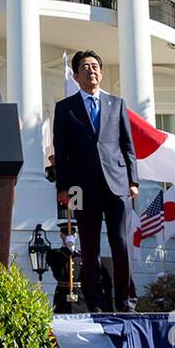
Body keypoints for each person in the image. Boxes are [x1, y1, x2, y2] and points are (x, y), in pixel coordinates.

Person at [52, 49, 138, 313]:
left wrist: (133, 181)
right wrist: (63, 187)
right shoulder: (65, 108)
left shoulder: (117, 104)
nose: (91, 71)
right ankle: (96, 306)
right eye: (85, 67)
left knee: (121, 245)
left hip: (117, 183)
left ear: (101, 72)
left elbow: (127, 145)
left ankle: (126, 304)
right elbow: (61, 150)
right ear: (76, 75)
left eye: (95, 66)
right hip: (82, 187)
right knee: (89, 248)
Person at [46, 220, 90, 314]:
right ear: (61, 235)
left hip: (80, 299)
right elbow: (58, 272)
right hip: (62, 298)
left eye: (72, 232)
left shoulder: (83, 255)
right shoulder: (54, 254)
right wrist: (68, 248)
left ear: (76, 235)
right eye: (66, 233)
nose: (69, 236)